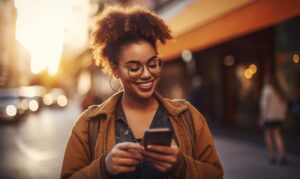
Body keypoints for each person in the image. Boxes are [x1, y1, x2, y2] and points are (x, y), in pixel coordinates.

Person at [61, 5, 223, 179]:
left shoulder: (187, 116)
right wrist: (103, 167)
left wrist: (181, 165)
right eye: (134, 67)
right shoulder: (88, 124)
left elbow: (215, 173)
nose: (147, 74)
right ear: (115, 70)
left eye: (153, 64)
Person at [259, 75, 287, 164]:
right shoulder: (280, 90)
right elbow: (284, 105)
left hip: (269, 117)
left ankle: (272, 156)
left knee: (268, 135)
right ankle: (282, 155)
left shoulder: (267, 90)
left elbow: (264, 105)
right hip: (278, 117)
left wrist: (262, 117)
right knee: (278, 135)